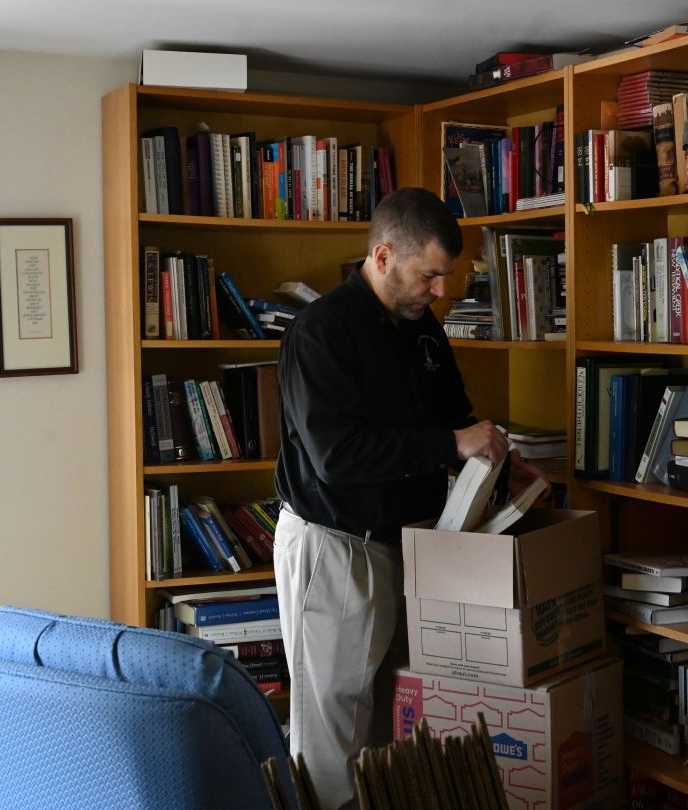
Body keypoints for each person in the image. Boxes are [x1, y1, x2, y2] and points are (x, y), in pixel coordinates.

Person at [273, 187, 545, 810]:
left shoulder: (424, 331)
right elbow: (337, 458)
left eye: (446, 277)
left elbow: (457, 421)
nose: (440, 291)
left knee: (392, 721)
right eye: (430, 275)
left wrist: (504, 464)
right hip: (334, 546)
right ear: (384, 254)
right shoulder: (321, 334)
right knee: (330, 733)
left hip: (411, 548)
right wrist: (451, 441)